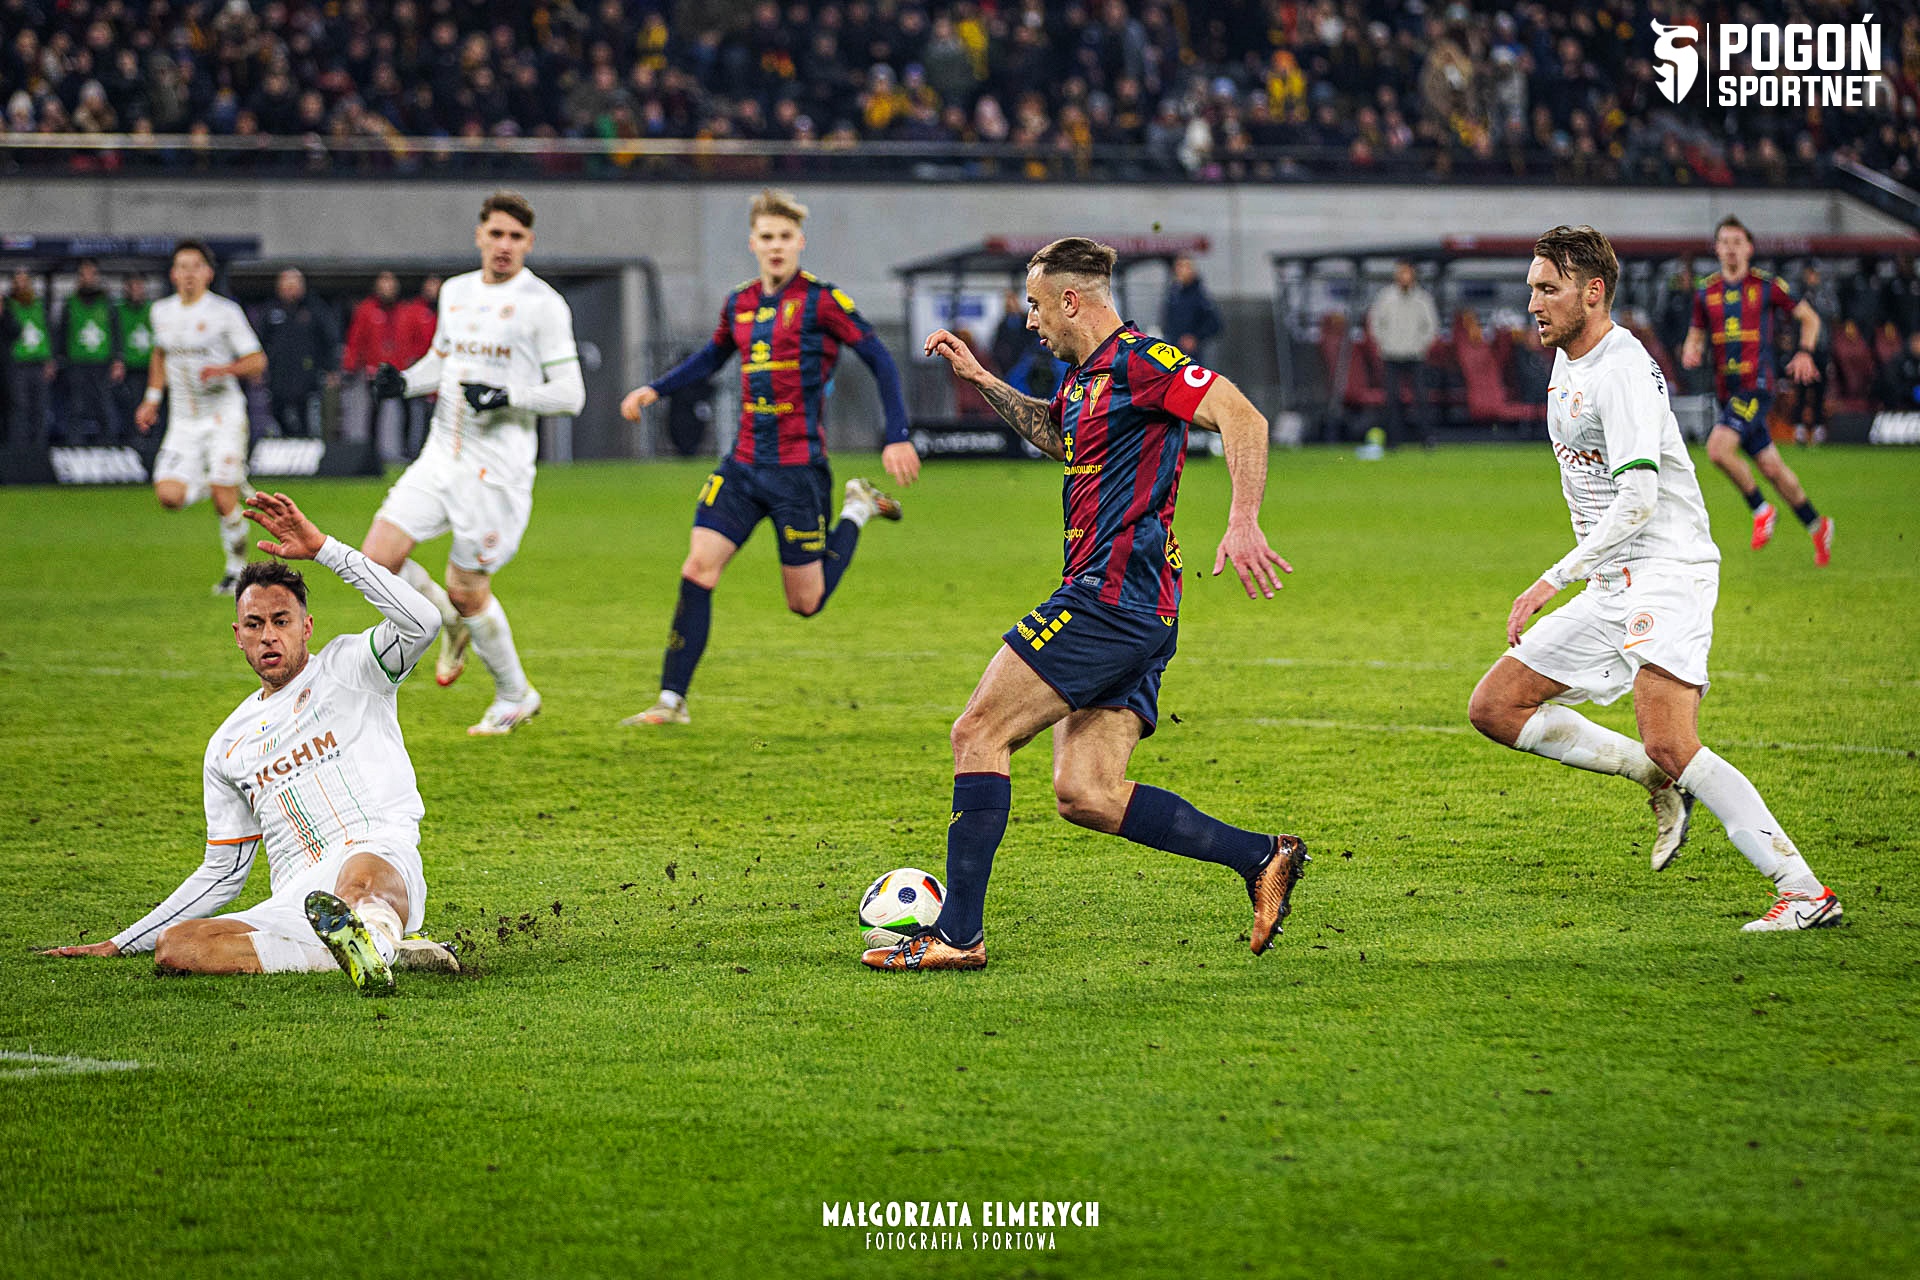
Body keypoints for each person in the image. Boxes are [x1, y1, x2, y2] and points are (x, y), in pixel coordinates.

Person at [876, 236, 1308, 972]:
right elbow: (1058, 435)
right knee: (1087, 792)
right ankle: (1263, 857)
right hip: (1138, 608)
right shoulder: (1085, 380)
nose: (1031, 321)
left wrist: (1243, 520)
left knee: (977, 732)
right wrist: (980, 377)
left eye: (1036, 305)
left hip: (1111, 598)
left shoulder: (1145, 362)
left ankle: (958, 936)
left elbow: (1244, 417)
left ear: (1071, 300)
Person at [1468, 224, 1842, 933]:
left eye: (1547, 289)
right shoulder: (1568, 360)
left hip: (1667, 569)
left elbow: (1638, 499)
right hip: (1612, 579)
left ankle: (1804, 891)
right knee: (1495, 705)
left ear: (1592, 292)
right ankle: (1653, 775)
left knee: (1671, 736)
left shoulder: (1622, 372)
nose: (1533, 304)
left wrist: (1552, 579)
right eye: (1531, 289)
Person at [40, 491, 459, 994]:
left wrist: (323, 549)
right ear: (237, 635)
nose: (268, 636)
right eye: (255, 625)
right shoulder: (228, 746)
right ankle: (376, 952)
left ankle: (373, 937)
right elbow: (224, 872)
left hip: (375, 857)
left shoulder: (352, 667)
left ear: (306, 627)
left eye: (282, 621)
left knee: (359, 884)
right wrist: (119, 942)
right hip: (295, 901)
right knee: (178, 946)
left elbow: (423, 621)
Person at [617, 187, 918, 728]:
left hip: (798, 472)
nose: (776, 246)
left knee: (805, 602)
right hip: (741, 466)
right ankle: (671, 700)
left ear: (800, 242)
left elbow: (879, 357)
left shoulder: (823, 301)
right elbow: (711, 357)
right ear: (752, 243)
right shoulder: (739, 302)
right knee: (698, 567)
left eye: (784, 237)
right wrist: (655, 389)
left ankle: (856, 509)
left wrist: (895, 433)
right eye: (766, 237)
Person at [361, 190, 584, 736]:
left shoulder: (544, 305)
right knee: (376, 560)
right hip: (442, 454)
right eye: (496, 233)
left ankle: (515, 694)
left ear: (529, 243)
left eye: (516, 237)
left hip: (496, 472)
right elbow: (443, 361)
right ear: (479, 235)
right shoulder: (456, 292)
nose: (504, 245)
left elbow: (571, 394)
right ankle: (446, 618)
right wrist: (404, 383)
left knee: (468, 590)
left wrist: (509, 395)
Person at [1680, 216, 1834, 565]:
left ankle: (1761, 509)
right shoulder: (1706, 292)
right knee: (1771, 467)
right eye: (1725, 242)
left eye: (1737, 242)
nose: (1731, 248)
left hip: (1756, 387)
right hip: (1727, 392)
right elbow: (1696, 333)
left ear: (1749, 248)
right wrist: (1691, 349)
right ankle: (1817, 524)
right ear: (1716, 248)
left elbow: (1810, 318)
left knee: (1718, 449)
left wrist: (1804, 352)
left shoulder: (1767, 286)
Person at [136, 240, 268, 595]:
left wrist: (225, 369)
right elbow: (160, 355)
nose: (189, 274)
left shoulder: (225, 312)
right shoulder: (161, 312)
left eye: (196, 266)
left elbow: (257, 361)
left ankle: (235, 570)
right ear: (173, 274)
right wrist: (151, 399)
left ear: (208, 273)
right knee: (169, 496)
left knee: (225, 500)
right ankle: (219, 481)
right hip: (183, 421)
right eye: (182, 267)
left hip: (224, 416)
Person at [257, 268, 339, 439]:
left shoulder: (315, 309)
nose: (290, 288)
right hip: (278, 376)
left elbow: (330, 340)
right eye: (286, 284)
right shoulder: (270, 310)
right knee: (278, 415)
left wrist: (331, 368)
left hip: (308, 376)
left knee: (308, 420)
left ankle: (308, 447)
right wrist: (258, 368)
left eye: (294, 284)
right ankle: (286, 446)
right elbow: (258, 342)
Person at [1367, 259, 1439, 448]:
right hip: (1391, 355)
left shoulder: (1422, 298)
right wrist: (1384, 344)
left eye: (1407, 272)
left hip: (1415, 356)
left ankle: (1427, 438)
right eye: (1401, 272)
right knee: (1392, 398)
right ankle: (1394, 439)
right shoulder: (1386, 297)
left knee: (1421, 397)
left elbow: (1431, 326)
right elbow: (1375, 323)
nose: (1404, 276)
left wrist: (1421, 345)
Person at [342, 271, 411, 458]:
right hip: (375, 370)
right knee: (373, 412)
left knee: (406, 411)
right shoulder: (367, 310)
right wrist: (351, 365)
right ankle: (371, 452)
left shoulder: (404, 311)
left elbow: (410, 341)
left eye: (391, 284)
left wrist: (410, 362)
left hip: (400, 371)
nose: (387, 288)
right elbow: (356, 339)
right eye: (384, 284)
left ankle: (406, 450)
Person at [53, 258, 122, 443]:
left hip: (102, 363)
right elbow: (62, 332)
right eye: (83, 274)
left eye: (91, 273)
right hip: (77, 363)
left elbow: (116, 331)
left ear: (97, 276)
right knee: (76, 406)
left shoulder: (107, 303)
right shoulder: (70, 302)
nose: (87, 278)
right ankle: (74, 446)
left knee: (104, 405)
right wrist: (57, 359)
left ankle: (107, 446)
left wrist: (118, 359)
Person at [6, 268, 55, 449]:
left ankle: (39, 448)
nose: (21, 286)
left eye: (24, 281)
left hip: (39, 363)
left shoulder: (39, 305)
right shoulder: (9, 306)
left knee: (40, 407)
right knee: (19, 407)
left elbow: (48, 332)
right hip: (18, 364)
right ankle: (19, 448)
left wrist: (50, 359)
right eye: (17, 282)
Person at [1160, 253, 1222, 364]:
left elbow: (1215, 324)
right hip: (1173, 353)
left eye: (1185, 266)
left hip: (1192, 356)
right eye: (1178, 266)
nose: (1180, 270)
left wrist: (1195, 337)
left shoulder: (1199, 296)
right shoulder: (1174, 294)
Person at [114, 274, 155, 441]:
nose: (136, 290)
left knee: (152, 404)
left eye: (140, 286)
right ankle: (134, 440)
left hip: (151, 368)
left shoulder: (153, 310)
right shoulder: (118, 310)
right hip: (130, 367)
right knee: (132, 404)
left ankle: (152, 440)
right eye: (133, 286)